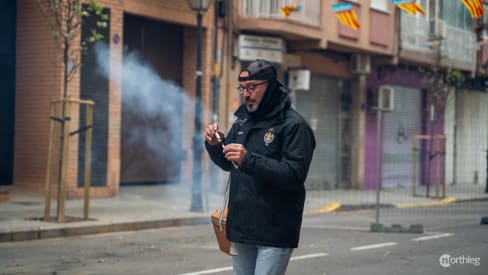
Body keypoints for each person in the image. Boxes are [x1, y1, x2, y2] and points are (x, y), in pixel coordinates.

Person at [204, 59, 316, 275]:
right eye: (243, 88)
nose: (246, 94)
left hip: (274, 230)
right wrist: (215, 146)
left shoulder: (294, 125)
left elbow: (294, 174)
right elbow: (229, 165)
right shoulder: (242, 122)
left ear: (271, 87)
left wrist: (249, 160)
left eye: (252, 87)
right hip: (242, 227)